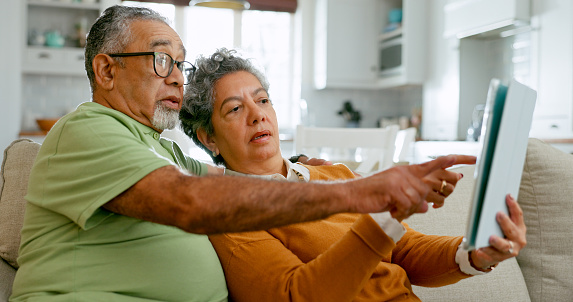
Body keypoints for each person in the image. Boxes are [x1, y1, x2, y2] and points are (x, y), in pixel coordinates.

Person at [10, 6, 472, 301]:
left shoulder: (161, 151)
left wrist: (316, 174)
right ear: (106, 70)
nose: (176, 77)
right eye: (161, 59)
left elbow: (239, 183)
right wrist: (364, 194)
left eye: (180, 63)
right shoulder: (87, 129)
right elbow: (193, 202)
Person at [179, 48, 527, 301]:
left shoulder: (335, 175)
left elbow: (405, 249)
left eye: (263, 100)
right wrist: (385, 218)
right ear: (209, 138)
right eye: (235, 108)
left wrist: (473, 255)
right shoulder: (231, 215)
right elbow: (295, 295)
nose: (257, 115)